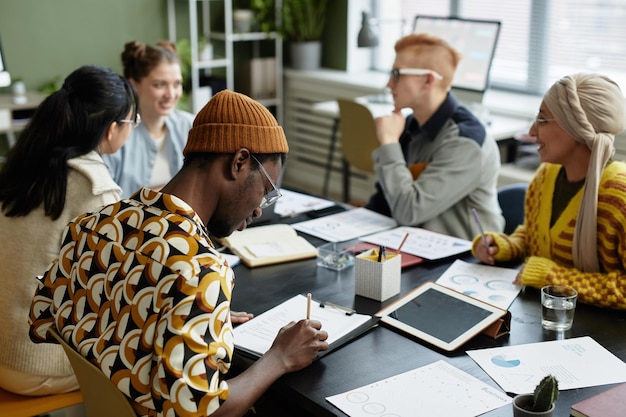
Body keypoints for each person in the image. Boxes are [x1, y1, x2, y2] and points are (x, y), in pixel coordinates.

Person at [29, 90, 329, 417]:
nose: (259, 209)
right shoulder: (199, 270)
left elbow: (47, 314)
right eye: (266, 191)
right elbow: (205, 412)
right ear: (239, 163)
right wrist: (279, 358)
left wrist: (182, 318)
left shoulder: (95, 224)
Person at [0, 65, 138, 396]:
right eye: (132, 122)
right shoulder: (94, 188)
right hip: (32, 365)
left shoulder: (26, 165)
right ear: (111, 130)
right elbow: (116, 285)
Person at [473, 73, 626, 310]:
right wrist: (506, 245)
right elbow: (536, 237)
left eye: (542, 120)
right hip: (546, 320)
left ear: (576, 127)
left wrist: (554, 278)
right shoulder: (546, 175)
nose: (532, 131)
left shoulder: (619, 196)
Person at [365, 33, 504, 240]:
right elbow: (386, 200)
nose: (389, 84)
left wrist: (389, 143)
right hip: (414, 244)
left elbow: (408, 212)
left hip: (465, 260)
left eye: (396, 74)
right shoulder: (411, 125)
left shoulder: (465, 142)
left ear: (428, 80)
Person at [104, 40, 194, 198]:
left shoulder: (191, 126)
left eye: (177, 84)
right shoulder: (114, 134)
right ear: (134, 85)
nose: (171, 94)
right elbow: (105, 204)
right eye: (159, 85)